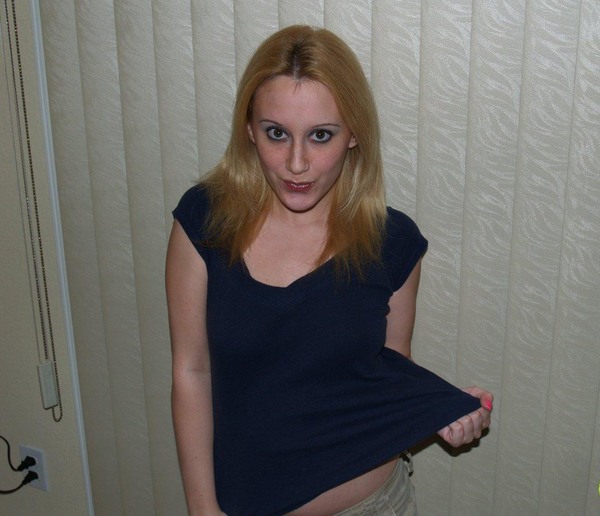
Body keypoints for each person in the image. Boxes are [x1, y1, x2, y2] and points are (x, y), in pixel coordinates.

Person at [166, 25, 493, 516]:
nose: (296, 163)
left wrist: (447, 408)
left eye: (321, 135)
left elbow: (384, 376)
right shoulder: (205, 222)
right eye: (277, 133)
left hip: (376, 505)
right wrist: (202, 509)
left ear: (354, 134)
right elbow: (191, 371)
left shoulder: (392, 243)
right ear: (249, 130)